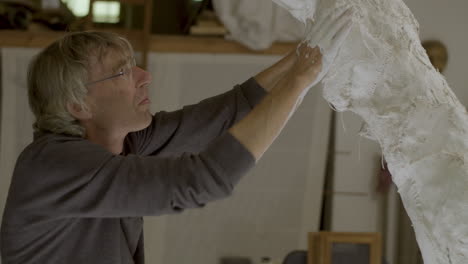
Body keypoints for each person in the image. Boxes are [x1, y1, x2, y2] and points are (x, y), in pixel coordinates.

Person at [0, 8, 352, 264]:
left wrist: (301, 57)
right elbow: (202, 180)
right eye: (122, 72)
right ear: (78, 105)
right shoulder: (53, 166)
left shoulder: (121, 142)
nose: (144, 77)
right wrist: (300, 81)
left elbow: (227, 113)